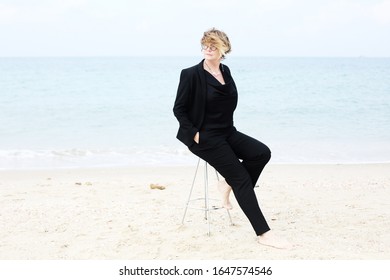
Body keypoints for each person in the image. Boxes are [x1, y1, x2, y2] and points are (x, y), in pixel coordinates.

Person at [173, 28, 290, 249]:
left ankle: (227, 183)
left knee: (261, 153)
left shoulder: (226, 71)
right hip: (205, 138)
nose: (208, 48)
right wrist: (195, 134)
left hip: (227, 132)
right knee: (242, 180)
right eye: (205, 45)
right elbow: (179, 109)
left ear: (224, 49)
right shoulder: (190, 74)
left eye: (213, 45)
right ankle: (263, 233)